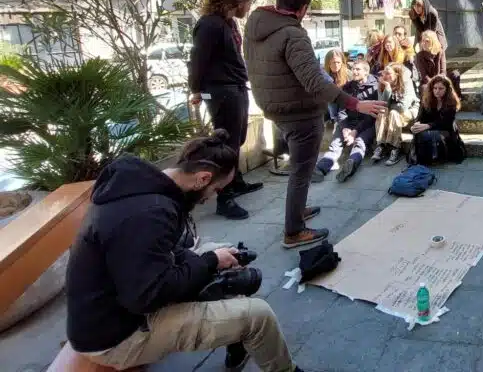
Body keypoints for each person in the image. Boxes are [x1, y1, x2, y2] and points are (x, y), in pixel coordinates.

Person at [66, 131, 307, 372]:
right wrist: (209, 262)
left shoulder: (144, 188)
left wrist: (212, 260)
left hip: (113, 309)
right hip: (117, 338)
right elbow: (148, 296)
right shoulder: (150, 214)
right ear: (203, 178)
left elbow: (158, 256)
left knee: (218, 254)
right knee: (259, 316)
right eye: (217, 189)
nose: (211, 198)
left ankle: (236, 341)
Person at [245, 0, 386, 248]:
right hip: (300, 112)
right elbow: (314, 81)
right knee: (301, 172)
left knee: (299, 169)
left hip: (276, 109)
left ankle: (297, 211)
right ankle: (294, 230)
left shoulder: (255, 27)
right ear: (302, 9)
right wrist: (355, 103)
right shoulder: (292, 34)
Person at [187, 0, 263, 221]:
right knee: (226, 144)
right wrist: (196, 89)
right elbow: (198, 59)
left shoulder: (228, 23)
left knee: (237, 139)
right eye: (248, 3)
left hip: (235, 86)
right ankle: (224, 198)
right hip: (220, 90)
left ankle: (236, 182)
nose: (249, 8)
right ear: (238, 2)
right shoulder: (209, 24)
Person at [315, 60, 379, 181]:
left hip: (367, 124)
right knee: (335, 145)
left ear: (366, 72)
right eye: (353, 69)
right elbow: (342, 111)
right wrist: (345, 128)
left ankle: (351, 165)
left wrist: (355, 131)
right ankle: (320, 169)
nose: (354, 71)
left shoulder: (375, 88)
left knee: (359, 143)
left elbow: (371, 116)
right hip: (348, 122)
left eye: (358, 69)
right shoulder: (348, 87)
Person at [409, 75, 466, 165]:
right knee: (419, 133)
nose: (437, 91)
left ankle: (437, 157)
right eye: (435, 88)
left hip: (446, 130)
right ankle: (424, 158)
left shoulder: (452, 102)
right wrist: (415, 126)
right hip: (429, 128)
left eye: (441, 88)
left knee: (432, 134)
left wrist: (428, 125)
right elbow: (420, 118)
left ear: (447, 89)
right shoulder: (427, 100)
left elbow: (446, 123)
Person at [372, 62, 419, 166]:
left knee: (393, 113)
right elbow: (381, 104)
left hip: (409, 110)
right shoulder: (383, 84)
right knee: (382, 113)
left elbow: (403, 107)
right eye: (384, 73)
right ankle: (381, 146)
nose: (385, 76)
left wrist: (387, 107)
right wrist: (387, 87)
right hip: (392, 111)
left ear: (397, 74)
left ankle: (395, 148)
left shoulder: (406, 82)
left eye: (388, 73)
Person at [414, 30, 446, 95]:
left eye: (427, 41)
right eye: (423, 41)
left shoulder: (440, 52)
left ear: (433, 42)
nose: (424, 43)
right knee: (425, 88)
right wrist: (434, 84)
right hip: (427, 82)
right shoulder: (419, 56)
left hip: (440, 80)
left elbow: (443, 71)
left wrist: (438, 83)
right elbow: (424, 76)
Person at [321, 48, 350, 123]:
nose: (336, 65)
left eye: (338, 62)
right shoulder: (323, 74)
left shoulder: (348, 73)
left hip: (345, 103)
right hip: (331, 103)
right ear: (328, 63)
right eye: (333, 63)